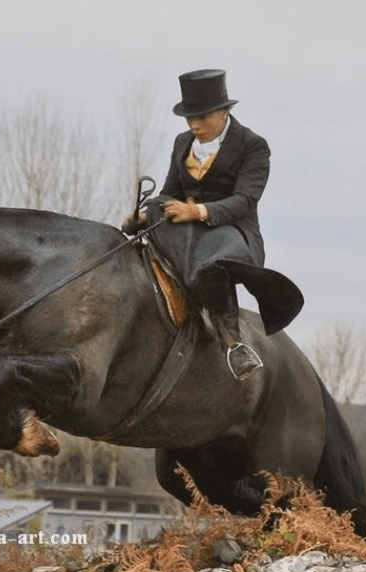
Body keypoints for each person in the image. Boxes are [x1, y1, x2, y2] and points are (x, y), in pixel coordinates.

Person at [128, 69, 303, 380]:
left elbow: (245, 201)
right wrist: (144, 218)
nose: (195, 125)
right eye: (189, 119)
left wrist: (197, 213)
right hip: (185, 231)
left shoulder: (253, 146)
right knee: (155, 207)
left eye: (202, 117)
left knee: (212, 265)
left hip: (232, 233)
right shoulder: (183, 142)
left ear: (224, 111)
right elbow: (171, 192)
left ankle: (234, 345)